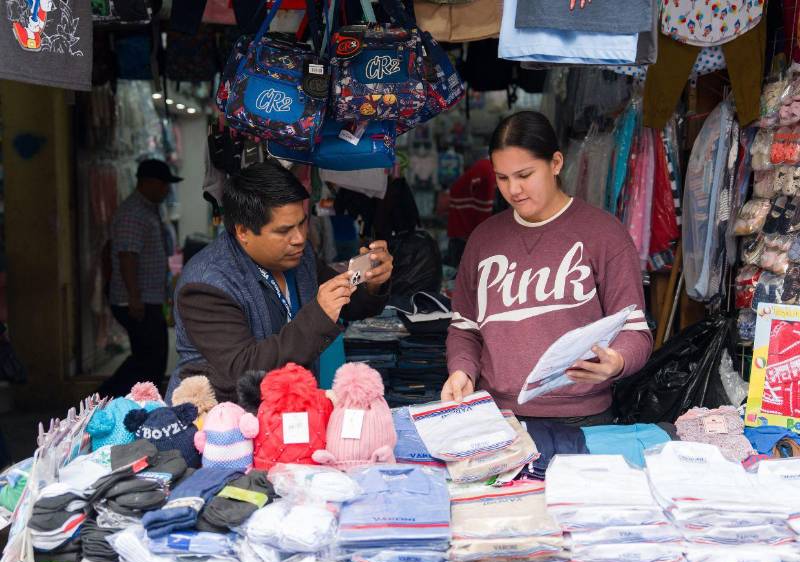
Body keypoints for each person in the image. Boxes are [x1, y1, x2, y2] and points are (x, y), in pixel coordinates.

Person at [442, 111, 652, 426]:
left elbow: (635, 330)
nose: (513, 190)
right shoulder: (483, 240)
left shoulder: (604, 234)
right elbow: (465, 328)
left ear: (555, 163)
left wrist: (618, 360)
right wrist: (461, 370)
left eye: (524, 175)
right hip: (496, 417)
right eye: (502, 178)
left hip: (584, 420)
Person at [167, 161, 394, 404]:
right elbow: (245, 372)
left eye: (302, 223)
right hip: (222, 425)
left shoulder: (299, 255)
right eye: (284, 230)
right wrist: (318, 315)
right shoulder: (205, 286)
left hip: (288, 413)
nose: (299, 238)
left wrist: (372, 284)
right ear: (243, 231)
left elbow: (346, 303)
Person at [98, 159, 180, 398]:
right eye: (164, 184)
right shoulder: (133, 213)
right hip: (136, 300)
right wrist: (135, 297)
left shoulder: (148, 210)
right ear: (149, 183)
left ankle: (126, 402)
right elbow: (127, 256)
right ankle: (103, 399)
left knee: (150, 358)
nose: (167, 190)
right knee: (149, 358)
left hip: (147, 298)